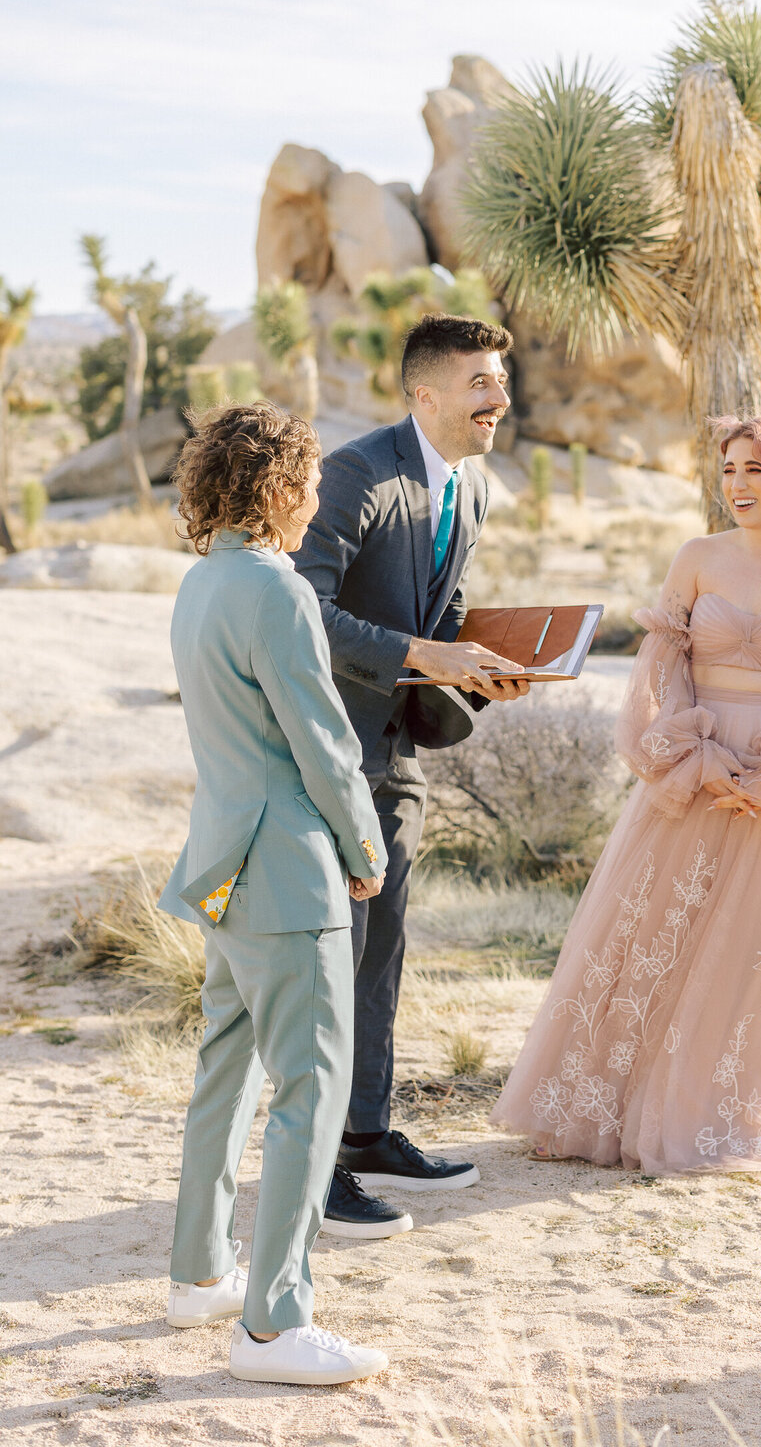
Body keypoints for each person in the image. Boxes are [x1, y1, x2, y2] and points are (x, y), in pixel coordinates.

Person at [491, 415, 761, 1172]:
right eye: (730, 471)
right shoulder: (697, 558)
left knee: (759, 952)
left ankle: (738, 1116)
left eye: (756, 470)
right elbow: (661, 670)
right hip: (695, 772)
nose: (738, 485)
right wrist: (695, 754)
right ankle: (611, 1109)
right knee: (653, 939)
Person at [160, 402, 403, 1387]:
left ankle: (199, 1272)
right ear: (275, 487)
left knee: (227, 1071)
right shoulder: (277, 590)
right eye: (305, 483)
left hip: (222, 866)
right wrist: (365, 842)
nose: (314, 502)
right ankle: (272, 1326)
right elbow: (321, 738)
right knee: (311, 1088)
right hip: (290, 871)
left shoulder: (199, 582)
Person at [293, 313, 530, 1232]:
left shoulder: (473, 490)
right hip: (328, 752)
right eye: (480, 383)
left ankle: (364, 1133)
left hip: (398, 754)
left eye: (501, 382)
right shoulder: (354, 475)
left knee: (383, 947)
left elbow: (449, 603)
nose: (499, 400)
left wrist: (489, 662)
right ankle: (314, 1173)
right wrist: (428, 654)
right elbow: (301, 609)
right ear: (422, 393)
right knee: (333, 953)